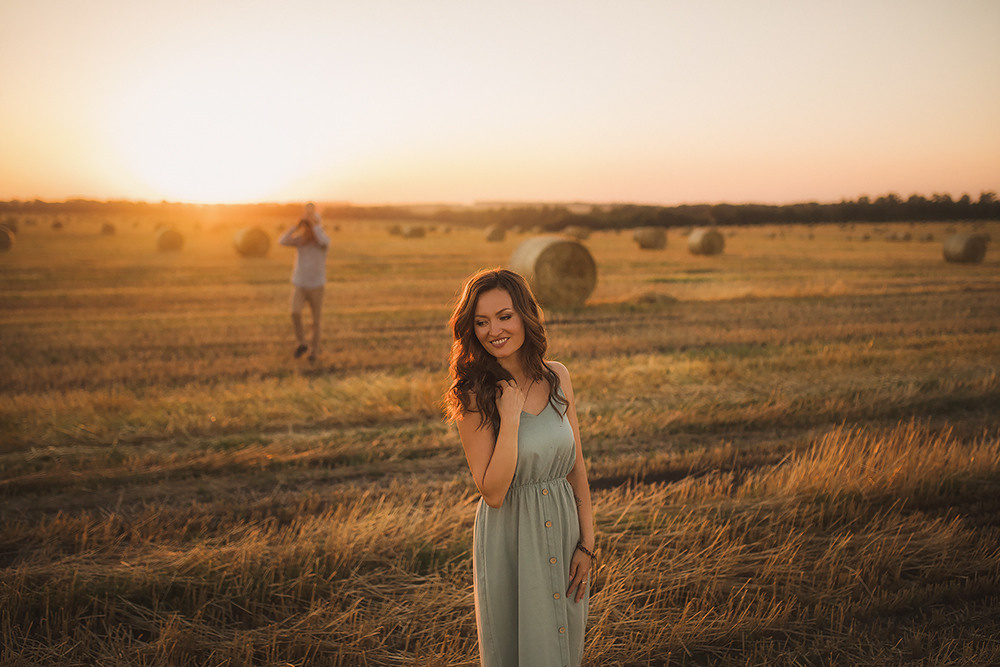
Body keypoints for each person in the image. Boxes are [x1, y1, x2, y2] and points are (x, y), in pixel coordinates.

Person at [445, 268, 595, 667]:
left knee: (563, 645)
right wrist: (509, 419)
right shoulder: (474, 395)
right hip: (512, 535)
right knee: (520, 649)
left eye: (504, 316)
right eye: (481, 321)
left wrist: (587, 542)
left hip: (564, 531)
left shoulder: (557, 376)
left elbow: (575, 464)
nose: (493, 330)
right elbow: (492, 492)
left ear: (525, 315)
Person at [278, 203, 330, 362]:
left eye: (310, 227)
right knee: (295, 312)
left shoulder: (322, 243)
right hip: (300, 285)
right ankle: (302, 343)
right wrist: (296, 225)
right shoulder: (299, 241)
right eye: (305, 227)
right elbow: (282, 240)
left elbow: (322, 239)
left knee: (316, 321)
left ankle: (314, 352)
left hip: (317, 286)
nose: (307, 230)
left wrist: (314, 225)